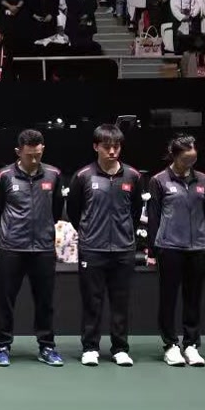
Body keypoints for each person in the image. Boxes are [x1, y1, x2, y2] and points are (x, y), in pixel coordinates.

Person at [0, 128, 65, 367]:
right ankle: (2, 346)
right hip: (11, 247)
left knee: (45, 301)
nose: (34, 159)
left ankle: (47, 346)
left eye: (38, 154)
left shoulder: (54, 175)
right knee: (5, 300)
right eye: (30, 155)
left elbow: (56, 210)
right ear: (18, 152)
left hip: (43, 248)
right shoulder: (3, 176)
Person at [67, 124, 144, 367]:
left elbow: (135, 211)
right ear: (96, 147)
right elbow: (74, 211)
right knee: (92, 301)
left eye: (116, 147)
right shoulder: (83, 176)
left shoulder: (133, 176)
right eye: (107, 147)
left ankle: (120, 348)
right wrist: (90, 233)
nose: (112, 151)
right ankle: (90, 347)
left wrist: (124, 233)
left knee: (120, 302)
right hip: (92, 249)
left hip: (123, 249)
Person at [142, 135, 205, 367]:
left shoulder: (204, 180)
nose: (189, 164)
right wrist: (152, 251)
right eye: (186, 159)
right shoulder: (158, 181)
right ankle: (170, 345)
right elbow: (154, 217)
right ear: (174, 156)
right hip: (169, 248)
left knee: (193, 298)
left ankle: (191, 344)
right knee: (168, 298)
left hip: (198, 249)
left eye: (193, 159)